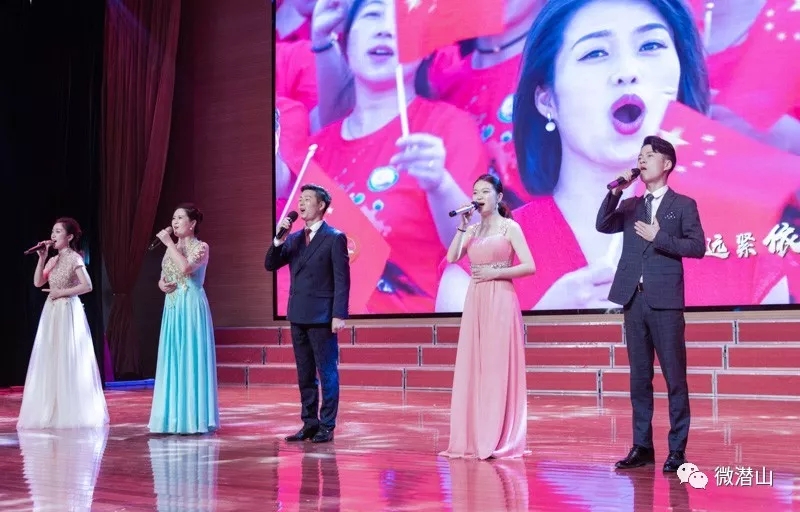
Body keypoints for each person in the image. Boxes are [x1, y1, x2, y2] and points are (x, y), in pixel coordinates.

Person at [595, 135, 705, 472]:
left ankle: (677, 450)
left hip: (665, 301)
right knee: (639, 379)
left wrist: (660, 237)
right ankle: (642, 446)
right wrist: (616, 191)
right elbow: (602, 224)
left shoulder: (683, 205)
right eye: (640, 156)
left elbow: (697, 247)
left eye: (649, 155)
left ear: (666, 164)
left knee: (674, 378)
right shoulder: (631, 206)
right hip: (634, 299)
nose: (641, 160)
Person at [439, 174, 535, 460]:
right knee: (475, 365)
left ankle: (499, 435)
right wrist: (461, 226)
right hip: (476, 300)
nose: (478, 197)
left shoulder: (510, 227)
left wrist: (497, 272)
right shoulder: (471, 230)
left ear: (499, 197)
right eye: (475, 192)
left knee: (496, 365)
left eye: (485, 191)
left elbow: (529, 266)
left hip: (501, 299)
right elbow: (453, 257)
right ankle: (475, 434)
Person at [265, 183, 351, 443]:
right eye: (300, 199)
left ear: (321, 205)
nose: (301, 203)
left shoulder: (334, 237)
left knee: (327, 373)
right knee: (305, 373)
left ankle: (327, 425)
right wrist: (278, 240)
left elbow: (342, 280)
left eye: (307, 199)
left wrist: (339, 314)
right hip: (298, 314)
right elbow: (270, 264)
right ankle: (309, 423)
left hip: (322, 316)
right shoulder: (293, 239)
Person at [17, 217, 109, 430]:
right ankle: (51, 409)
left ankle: (69, 411)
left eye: (58, 231)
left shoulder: (74, 258)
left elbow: (87, 286)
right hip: (51, 312)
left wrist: (62, 292)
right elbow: (38, 282)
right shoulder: (53, 259)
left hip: (67, 310)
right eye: (53, 231)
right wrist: (42, 258)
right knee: (51, 356)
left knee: (67, 357)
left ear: (69, 237)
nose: (53, 235)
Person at [148, 203, 220, 435]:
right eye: (173, 218)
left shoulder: (202, 247)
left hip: (191, 305)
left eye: (180, 218)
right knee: (172, 357)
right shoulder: (172, 248)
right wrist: (161, 285)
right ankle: (171, 419)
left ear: (192, 223)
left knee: (190, 356)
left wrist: (169, 244)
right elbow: (164, 275)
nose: (175, 222)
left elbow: (187, 268)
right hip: (172, 306)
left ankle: (192, 418)